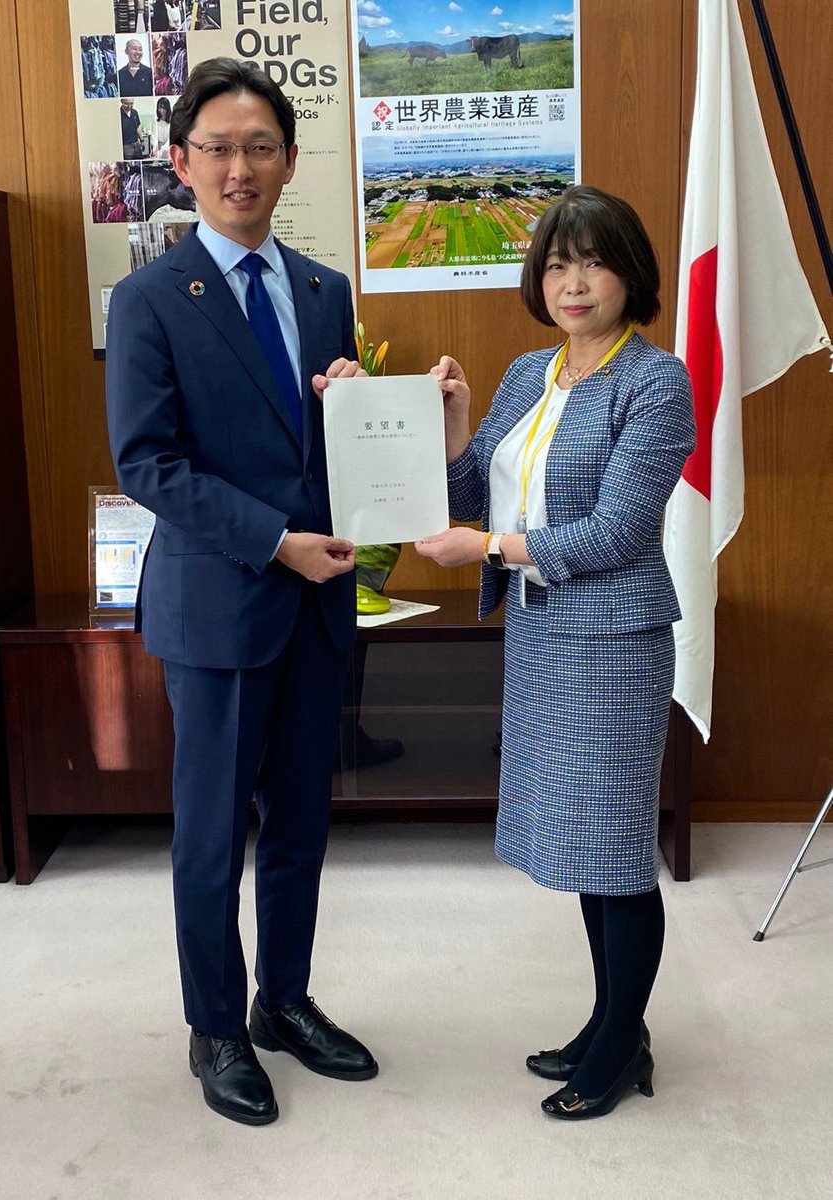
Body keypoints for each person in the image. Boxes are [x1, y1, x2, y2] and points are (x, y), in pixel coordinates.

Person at [105, 58, 378, 1127]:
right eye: (217, 148)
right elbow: (147, 464)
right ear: (180, 163)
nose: (239, 167)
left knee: (302, 821)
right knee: (214, 836)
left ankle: (285, 1001)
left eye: (260, 146)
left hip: (316, 608)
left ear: (290, 161)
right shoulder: (148, 298)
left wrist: (357, 406)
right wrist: (276, 542)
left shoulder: (324, 291)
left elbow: (330, 453)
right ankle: (214, 1026)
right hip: (219, 607)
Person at [416, 186, 696, 1120]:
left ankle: (619, 1045)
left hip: (613, 640)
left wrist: (488, 549)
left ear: (630, 274)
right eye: (557, 265)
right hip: (541, 634)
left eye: (594, 263)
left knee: (615, 849)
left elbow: (619, 530)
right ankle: (609, 1022)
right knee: (583, 844)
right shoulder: (529, 372)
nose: (574, 283)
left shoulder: (655, 381)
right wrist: (457, 419)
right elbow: (471, 489)